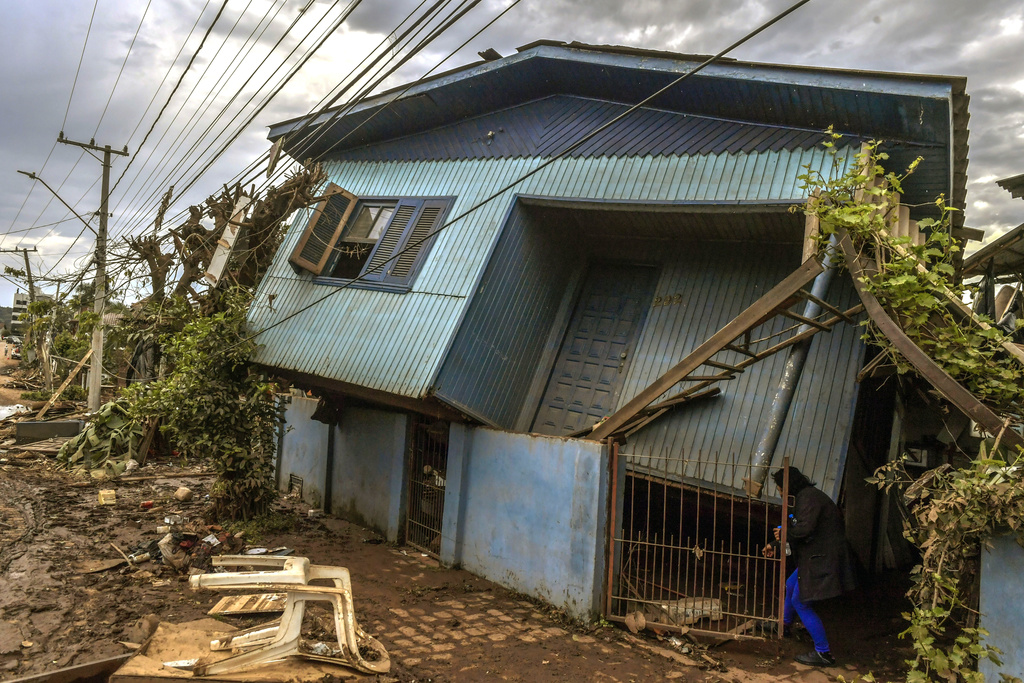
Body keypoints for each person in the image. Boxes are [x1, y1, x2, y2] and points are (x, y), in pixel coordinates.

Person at [763, 466, 855, 667]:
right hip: (817, 555)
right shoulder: (803, 498)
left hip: (822, 558)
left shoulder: (809, 499)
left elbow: (803, 530)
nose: (779, 492)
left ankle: (823, 653)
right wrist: (775, 542)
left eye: (780, 488)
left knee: (801, 602)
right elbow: (793, 526)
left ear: (788, 486)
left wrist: (784, 534)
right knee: (790, 585)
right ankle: (784, 625)